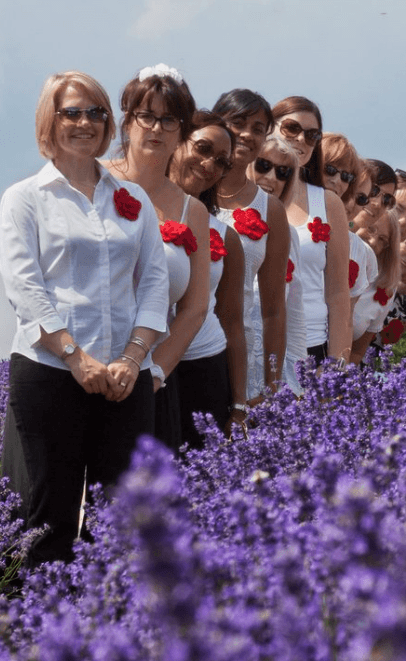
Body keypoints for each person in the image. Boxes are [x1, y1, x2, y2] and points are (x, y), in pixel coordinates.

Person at [0, 71, 169, 565]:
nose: (85, 122)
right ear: (49, 122)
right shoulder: (24, 197)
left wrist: (133, 358)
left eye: (96, 112)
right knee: (48, 519)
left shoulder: (133, 198)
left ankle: (108, 614)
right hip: (52, 372)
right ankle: (41, 612)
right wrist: (76, 357)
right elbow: (25, 287)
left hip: (125, 378)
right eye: (71, 112)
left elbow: (154, 283)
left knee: (119, 524)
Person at [105, 64, 211, 450]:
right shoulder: (91, 180)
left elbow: (195, 308)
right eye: (146, 115)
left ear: (182, 131)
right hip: (78, 365)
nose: (156, 128)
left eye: (169, 120)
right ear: (127, 120)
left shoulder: (192, 210)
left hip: (147, 379)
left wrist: (154, 372)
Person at [167, 110, 248, 445]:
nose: (209, 165)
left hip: (203, 367)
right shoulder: (131, 208)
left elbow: (232, 321)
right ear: (177, 141)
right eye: (202, 148)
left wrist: (239, 403)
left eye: (221, 162)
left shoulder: (226, 236)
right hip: (139, 363)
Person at [211, 89, 290, 404]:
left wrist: (272, 386)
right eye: (238, 123)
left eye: (258, 129)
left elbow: (274, 310)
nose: (247, 134)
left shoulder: (270, 209)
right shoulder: (186, 189)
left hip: (240, 356)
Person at [271, 96, 354, 364]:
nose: (300, 139)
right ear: (270, 127)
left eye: (312, 135)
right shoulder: (241, 193)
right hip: (250, 343)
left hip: (311, 347)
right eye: (291, 128)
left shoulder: (327, 203)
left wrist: (336, 368)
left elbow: (338, 294)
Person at [249, 135, 308, 393]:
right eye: (263, 165)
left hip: (267, 365)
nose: (271, 177)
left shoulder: (289, 234)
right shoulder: (216, 217)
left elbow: (293, 312)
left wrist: (298, 384)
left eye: (283, 173)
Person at [349, 203, 401, 362]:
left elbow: (357, 351)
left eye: (382, 240)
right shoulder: (327, 251)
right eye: (370, 229)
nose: (372, 241)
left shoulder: (385, 288)